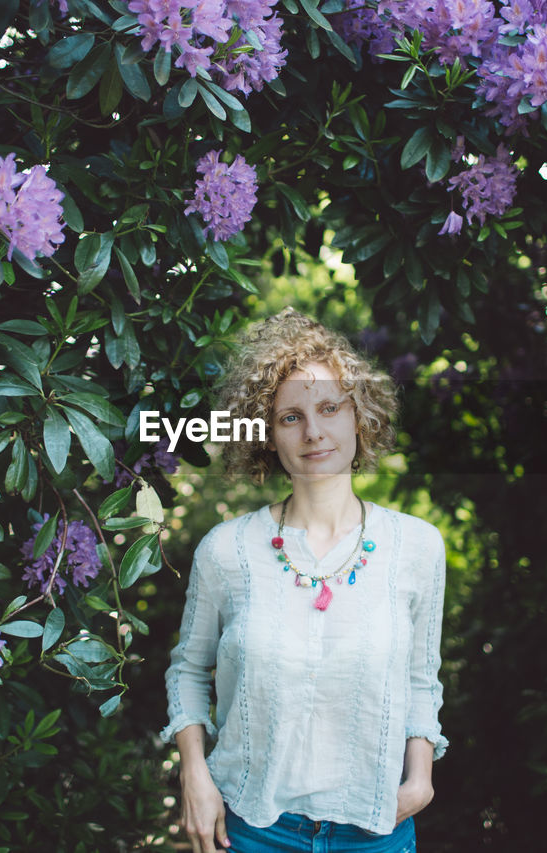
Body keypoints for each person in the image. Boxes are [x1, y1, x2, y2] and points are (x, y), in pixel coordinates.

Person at [161, 309, 448, 853]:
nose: (313, 431)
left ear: (358, 416)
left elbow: (420, 679)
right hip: (250, 830)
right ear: (267, 435)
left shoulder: (417, 546)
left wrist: (420, 779)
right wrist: (194, 775)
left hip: (377, 829)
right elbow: (190, 669)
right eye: (290, 416)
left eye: (328, 408)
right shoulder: (227, 551)